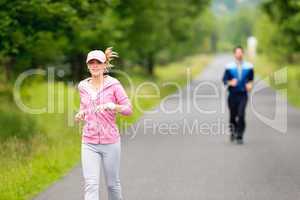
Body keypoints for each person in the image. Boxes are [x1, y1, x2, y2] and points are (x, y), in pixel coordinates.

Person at [75, 47, 133, 200]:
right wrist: (81, 113)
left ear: (105, 65)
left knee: (112, 184)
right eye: (91, 63)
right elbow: (84, 106)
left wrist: (113, 106)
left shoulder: (113, 85)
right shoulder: (83, 86)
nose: (94, 66)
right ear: (87, 65)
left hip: (110, 142)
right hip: (89, 142)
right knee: (91, 184)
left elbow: (128, 109)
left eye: (98, 63)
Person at [222, 46, 254, 144]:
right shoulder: (229, 67)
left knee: (241, 114)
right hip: (232, 95)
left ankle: (239, 135)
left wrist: (249, 85)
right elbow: (224, 80)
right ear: (234, 54)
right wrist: (230, 82)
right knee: (233, 116)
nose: (239, 54)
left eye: (241, 52)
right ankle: (233, 132)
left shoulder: (249, 66)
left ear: (243, 54)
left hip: (243, 94)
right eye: (237, 52)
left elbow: (250, 79)